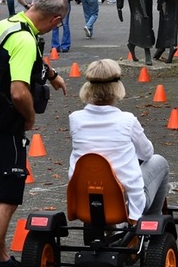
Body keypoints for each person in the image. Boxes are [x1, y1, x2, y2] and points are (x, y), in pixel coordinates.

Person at [0, 0, 69, 267]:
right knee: (7, 198)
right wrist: (29, 119)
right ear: (55, 20)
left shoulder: (11, 24)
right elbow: (18, 92)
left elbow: (29, 58)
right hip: (5, 122)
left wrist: (51, 75)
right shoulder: (26, 41)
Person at [69, 60, 169, 221]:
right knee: (159, 161)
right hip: (125, 203)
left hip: (85, 200)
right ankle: (151, 220)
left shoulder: (75, 119)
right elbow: (147, 153)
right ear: (116, 87)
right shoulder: (127, 120)